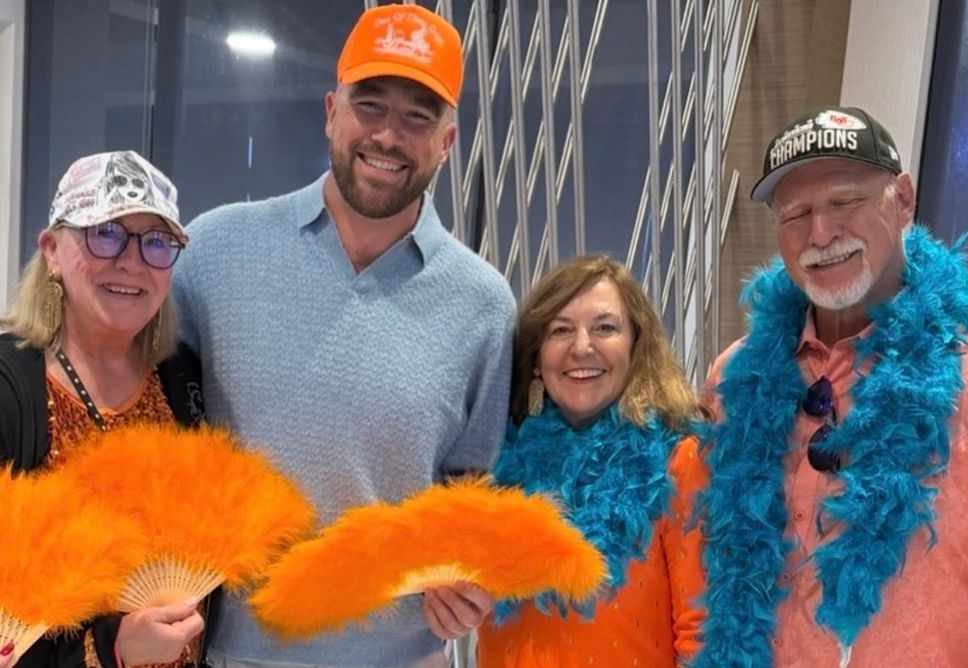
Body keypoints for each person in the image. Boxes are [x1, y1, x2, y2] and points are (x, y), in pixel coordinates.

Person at [171, 4, 516, 667]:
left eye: (418, 115)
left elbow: (475, 486)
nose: (388, 135)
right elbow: (138, 416)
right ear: (331, 111)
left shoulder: (483, 304)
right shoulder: (215, 250)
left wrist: (473, 574)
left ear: (447, 141)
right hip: (230, 652)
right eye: (371, 105)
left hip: (402, 656)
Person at [693, 106, 968, 667]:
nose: (821, 233)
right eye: (796, 213)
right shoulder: (734, 378)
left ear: (903, 199)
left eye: (845, 202)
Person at [0, 150, 207, 667]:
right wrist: (110, 647)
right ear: (51, 249)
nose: (133, 261)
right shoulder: (10, 389)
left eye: (157, 242)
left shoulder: (183, 380)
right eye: (106, 233)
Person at [476, 256, 707, 667]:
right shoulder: (497, 466)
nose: (582, 347)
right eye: (560, 330)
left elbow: (702, 632)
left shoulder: (679, 461)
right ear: (535, 355)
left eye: (605, 328)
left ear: (637, 345)